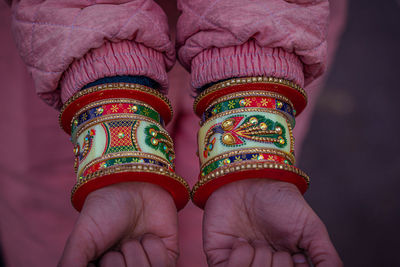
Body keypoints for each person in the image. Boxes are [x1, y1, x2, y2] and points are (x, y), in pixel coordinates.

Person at [0, 0, 346, 266]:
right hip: (60, 48)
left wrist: (251, 157)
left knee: (226, 227)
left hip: (280, 37)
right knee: (61, 218)